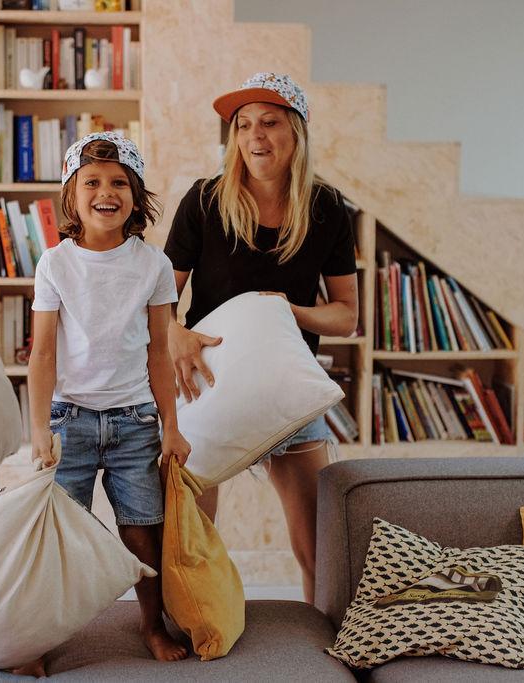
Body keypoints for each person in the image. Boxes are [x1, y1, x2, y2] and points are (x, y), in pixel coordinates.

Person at [163, 72, 359, 601]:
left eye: (270, 122)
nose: (255, 135)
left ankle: (331, 651)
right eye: (243, 124)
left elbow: (346, 317)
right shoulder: (204, 201)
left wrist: (293, 311)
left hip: (287, 390)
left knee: (320, 548)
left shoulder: (326, 209)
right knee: (192, 542)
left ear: (296, 133)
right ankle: (197, 633)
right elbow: (154, 303)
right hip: (207, 386)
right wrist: (175, 333)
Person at [25, 132, 192, 673]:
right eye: (92, 182)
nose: (106, 191)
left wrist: (171, 426)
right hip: (69, 421)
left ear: (136, 196)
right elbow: (43, 354)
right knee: (59, 533)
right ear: (71, 197)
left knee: (143, 528)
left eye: (119, 182)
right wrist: (37, 431)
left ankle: (150, 624)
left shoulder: (154, 266)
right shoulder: (54, 263)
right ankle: (41, 634)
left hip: (136, 422)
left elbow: (161, 356)